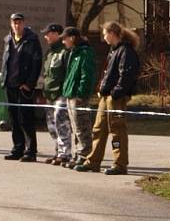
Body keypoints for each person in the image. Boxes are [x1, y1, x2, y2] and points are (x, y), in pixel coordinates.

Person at [75, 21, 140, 175]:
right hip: (106, 97)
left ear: (112, 33)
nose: (103, 38)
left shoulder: (126, 51)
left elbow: (126, 75)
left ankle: (120, 163)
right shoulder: (114, 50)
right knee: (98, 129)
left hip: (116, 97)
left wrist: (116, 92)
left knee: (117, 130)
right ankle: (93, 161)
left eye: (104, 34)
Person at [0, 13, 43, 162]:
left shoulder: (32, 40)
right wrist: (3, 80)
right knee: (13, 119)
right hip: (10, 85)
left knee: (26, 119)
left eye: (19, 22)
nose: (17, 25)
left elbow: (37, 63)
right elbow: (5, 62)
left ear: (24, 23)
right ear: (11, 24)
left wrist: (30, 84)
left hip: (23, 87)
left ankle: (31, 152)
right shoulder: (8, 40)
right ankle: (18, 149)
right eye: (14, 22)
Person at [60, 27, 96, 169]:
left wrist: (82, 94)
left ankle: (85, 155)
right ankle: (77, 154)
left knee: (82, 127)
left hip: (79, 97)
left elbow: (86, 75)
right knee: (75, 128)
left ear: (73, 38)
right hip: (70, 95)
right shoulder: (73, 53)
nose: (63, 41)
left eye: (65, 38)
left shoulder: (85, 53)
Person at [39, 23, 72, 165]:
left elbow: (68, 74)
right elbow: (47, 75)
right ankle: (58, 151)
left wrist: (65, 92)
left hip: (61, 94)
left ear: (57, 34)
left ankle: (66, 154)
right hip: (49, 94)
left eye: (48, 33)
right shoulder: (50, 52)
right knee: (51, 126)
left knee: (61, 123)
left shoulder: (65, 51)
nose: (46, 36)